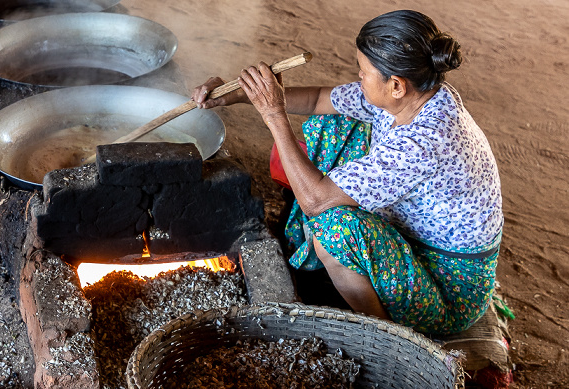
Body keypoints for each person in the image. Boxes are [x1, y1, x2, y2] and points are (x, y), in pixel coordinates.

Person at [191, 10, 503, 335]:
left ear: (396, 84)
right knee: (335, 122)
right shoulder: (418, 95)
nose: (359, 75)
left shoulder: (422, 144)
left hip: (446, 288)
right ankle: (325, 259)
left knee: (334, 226)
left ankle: (384, 337)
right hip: (412, 246)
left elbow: (316, 203)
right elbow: (316, 100)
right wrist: (241, 95)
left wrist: (273, 113)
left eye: (364, 71)